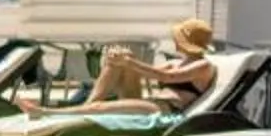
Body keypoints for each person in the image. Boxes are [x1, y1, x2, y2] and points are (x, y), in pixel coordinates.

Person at [87, 17, 217, 106]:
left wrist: (128, 61)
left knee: (97, 109)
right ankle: (90, 103)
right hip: (152, 102)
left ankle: (81, 110)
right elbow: (147, 72)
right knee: (121, 59)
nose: (175, 41)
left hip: (166, 108)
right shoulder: (176, 63)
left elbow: (167, 77)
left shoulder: (203, 65)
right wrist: (120, 58)